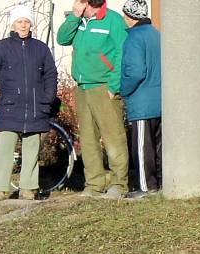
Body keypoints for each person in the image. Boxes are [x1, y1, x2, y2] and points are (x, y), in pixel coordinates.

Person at [0, 4, 57, 201]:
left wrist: (48, 98)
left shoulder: (41, 48)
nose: (23, 25)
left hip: (36, 107)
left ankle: (28, 188)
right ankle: (1, 188)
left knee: (31, 151)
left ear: (31, 24)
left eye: (27, 22)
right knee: (4, 149)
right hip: (10, 105)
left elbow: (51, 74)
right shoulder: (0, 48)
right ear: (13, 24)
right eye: (20, 21)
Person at [57, 0, 129, 199]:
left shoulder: (113, 21)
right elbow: (62, 39)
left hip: (104, 87)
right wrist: (74, 17)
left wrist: (114, 86)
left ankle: (118, 184)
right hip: (82, 87)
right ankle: (94, 184)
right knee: (88, 140)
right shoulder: (78, 20)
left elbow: (121, 54)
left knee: (113, 137)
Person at [120, 0, 162, 199]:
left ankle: (145, 187)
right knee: (159, 147)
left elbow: (135, 72)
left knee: (142, 148)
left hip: (142, 102)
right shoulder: (156, 34)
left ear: (129, 17)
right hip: (160, 100)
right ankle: (159, 183)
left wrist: (123, 90)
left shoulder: (134, 38)